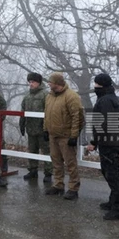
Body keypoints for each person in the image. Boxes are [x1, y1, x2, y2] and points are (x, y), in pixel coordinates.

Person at [86, 73, 119, 220]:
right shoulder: (110, 98)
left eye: (96, 83)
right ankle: (113, 201)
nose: (94, 86)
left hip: (108, 142)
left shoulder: (105, 101)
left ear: (100, 85)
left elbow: (103, 124)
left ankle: (118, 209)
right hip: (110, 141)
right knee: (109, 172)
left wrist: (94, 142)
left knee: (112, 175)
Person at [43, 72, 85, 200]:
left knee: (70, 163)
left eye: (51, 82)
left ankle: (73, 188)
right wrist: (45, 129)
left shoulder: (71, 96)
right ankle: (58, 184)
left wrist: (74, 136)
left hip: (66, 136)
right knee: (56, 161)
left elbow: (77, 117)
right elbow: (47, 113)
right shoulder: (49, 96)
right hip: (53, 135)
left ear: (57, 83)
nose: (49, 84)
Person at [19, 72, 53, 182]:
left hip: (42, 129)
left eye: (33, 81)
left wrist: (46, 129)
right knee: (32, 150)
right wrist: (22, 125)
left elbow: (49, 113)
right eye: (29, 82)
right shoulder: (27, 96)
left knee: (47, 151)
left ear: (38, 82)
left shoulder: (46, 95)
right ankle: (33, 170)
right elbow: (23, 111)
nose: (31, 84)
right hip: (31, 129)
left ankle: (48, 173)